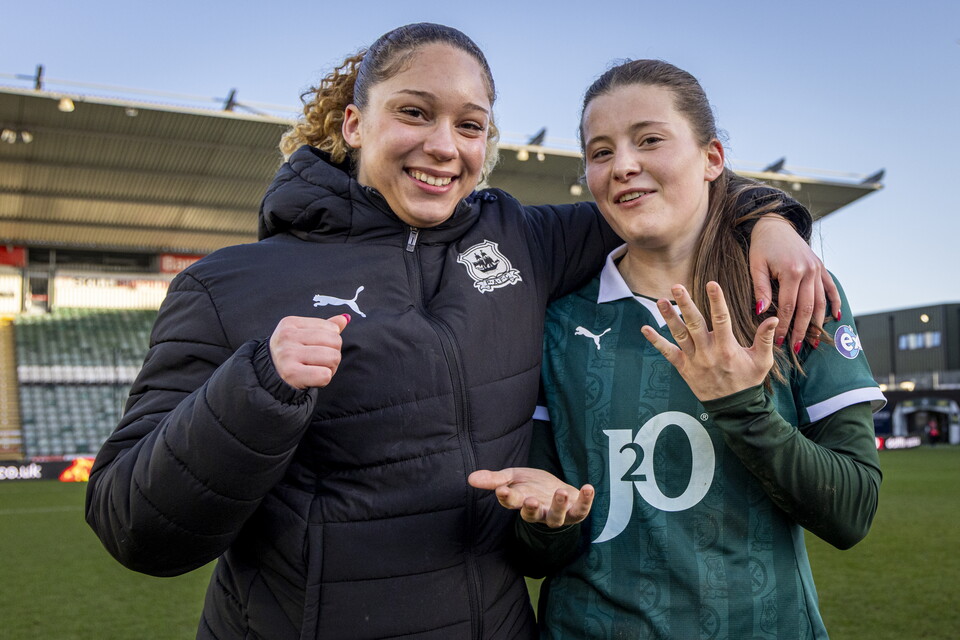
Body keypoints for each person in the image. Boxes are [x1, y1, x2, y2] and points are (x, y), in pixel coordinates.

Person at [85, 24, 837, 640]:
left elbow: (652, 192)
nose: (444, 146)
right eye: (414, 112)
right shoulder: (224, 286)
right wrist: (257, 387)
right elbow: (134, 527)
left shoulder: (521, 240)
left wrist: (769, 219)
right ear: (355, 124)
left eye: (469, 125)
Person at [471, 59, 886, 639]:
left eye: (649, 140)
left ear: (712, 158)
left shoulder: (793, 291)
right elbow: (539, 557)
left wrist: (742, 405)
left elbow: (852, 512)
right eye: (600, 151)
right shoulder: (558, 321)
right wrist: (548, 520)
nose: (624, 166)